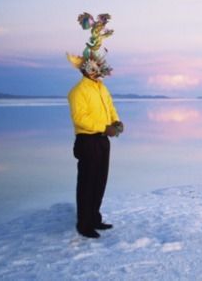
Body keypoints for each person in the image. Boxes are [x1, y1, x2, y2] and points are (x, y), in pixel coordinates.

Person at [66, 12, 124, 239]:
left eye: (99, 65)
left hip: (102, 140)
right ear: (85, 68)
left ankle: (95, 218)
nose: (98, 69)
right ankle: (84, 223)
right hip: (88, 140)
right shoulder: (77, 91)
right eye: (94, 65)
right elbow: (80, 119)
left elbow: (110, 108)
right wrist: (104, 127)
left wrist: (116, 122)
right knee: (87, 183)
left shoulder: (101, 88)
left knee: (100, 181)